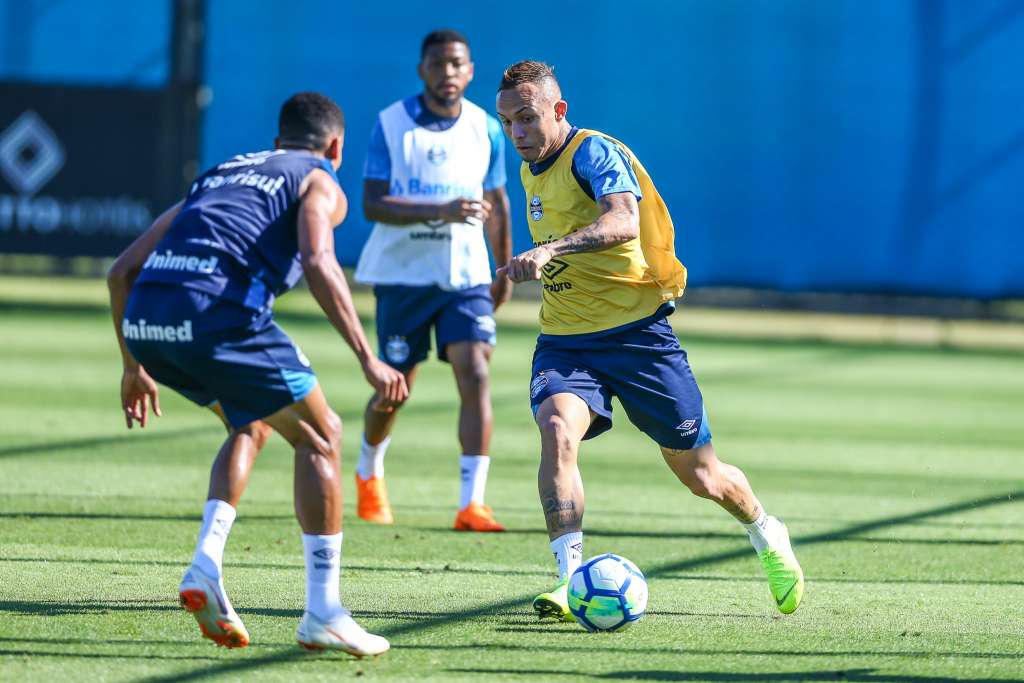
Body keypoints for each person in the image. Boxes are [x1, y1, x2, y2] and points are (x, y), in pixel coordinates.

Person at [493, 61, 804, 620]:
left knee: (702, 476)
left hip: (639, 339)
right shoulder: (530, 166)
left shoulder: (592, 153)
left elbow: (622, 224)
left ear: (558, 111)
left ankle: (765, 531)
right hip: (566, 341)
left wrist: (548, 251)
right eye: (508, 122)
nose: (517, 132)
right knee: (558, 430)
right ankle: (569, 579)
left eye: (527, 118)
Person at [106, 92, 408, 656]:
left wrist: (133, 366)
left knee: (252, 424)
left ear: (278, 142)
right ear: (335, 146)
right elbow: (318, 260)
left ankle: (206, 564)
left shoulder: (222, 173)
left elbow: (122, 271)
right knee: (322, 435)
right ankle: (324, 612)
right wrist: (369, 357)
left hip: (149, 321)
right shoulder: (320, 179)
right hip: (216, 316)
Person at [353, 29, 512, 531]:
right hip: (403, 278)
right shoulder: (392, 124)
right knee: (395, 389)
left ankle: (473, 504)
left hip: (464, 276)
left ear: (470, 71)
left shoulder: (486, 127)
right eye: (438, 64)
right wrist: (440, 210)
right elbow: (373, 203)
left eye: (457, 64)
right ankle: (369, 472)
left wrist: (503, 267)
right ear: (423, 69)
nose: (448, 73)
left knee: (477, 373)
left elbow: (497, 203)